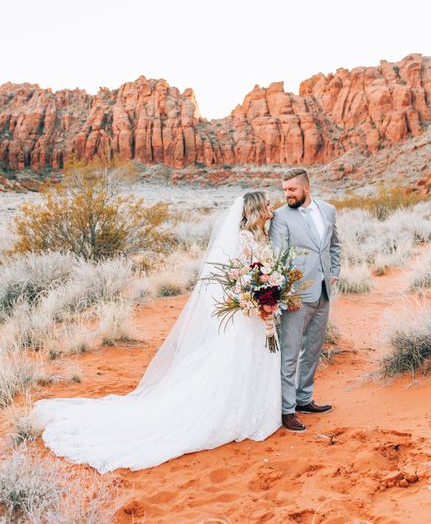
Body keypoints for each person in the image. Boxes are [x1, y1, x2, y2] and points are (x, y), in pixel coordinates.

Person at [29, 192, 282, 474]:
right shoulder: (244, 239)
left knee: (252, 360)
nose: (273, 208)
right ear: (258, 209)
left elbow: (261, 273)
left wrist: (269, 295)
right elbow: (237, 279)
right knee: (238, 361)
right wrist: (254, 299)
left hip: (258, 315)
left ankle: (254, 413)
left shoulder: (262, 237)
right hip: (247, 315)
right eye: (269, 204)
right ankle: (236, 416)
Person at [269, 168, 341, 432]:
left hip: (323, 292)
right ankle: (287, 410)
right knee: (290, 353)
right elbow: (278, 256)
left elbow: (334, 245)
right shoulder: (280, 217)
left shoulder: (329, 210)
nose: (287, 194)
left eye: (292, 190)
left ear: (306, 188)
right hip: (296, 296)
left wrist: (334, 273)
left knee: (312, 349)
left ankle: (303, 398)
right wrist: (286, 291)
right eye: (284, 190)